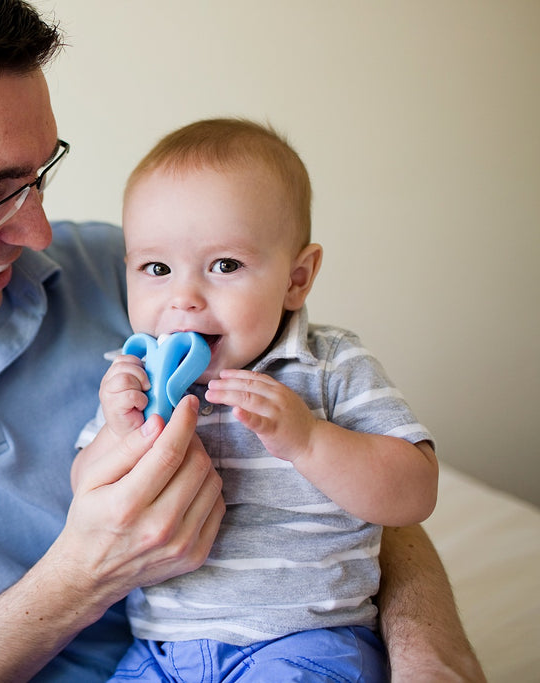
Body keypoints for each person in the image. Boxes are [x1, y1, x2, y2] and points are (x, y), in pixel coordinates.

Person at [0, 1, 484, 681]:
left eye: (41, 174)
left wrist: (426, 653)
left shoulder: (141, 277)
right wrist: (84, 572)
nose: (36, 230)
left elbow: (338, 458)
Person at [75, 118, 439, 680]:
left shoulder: (328, 366)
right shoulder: (134, 378)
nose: (184, 298)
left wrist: (311, 440)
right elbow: (85, 494)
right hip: (162, 653)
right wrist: (118, 435)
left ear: (297, 278)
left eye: (225, 266)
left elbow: (415, 492)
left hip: (303, 640)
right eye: (156, 268)